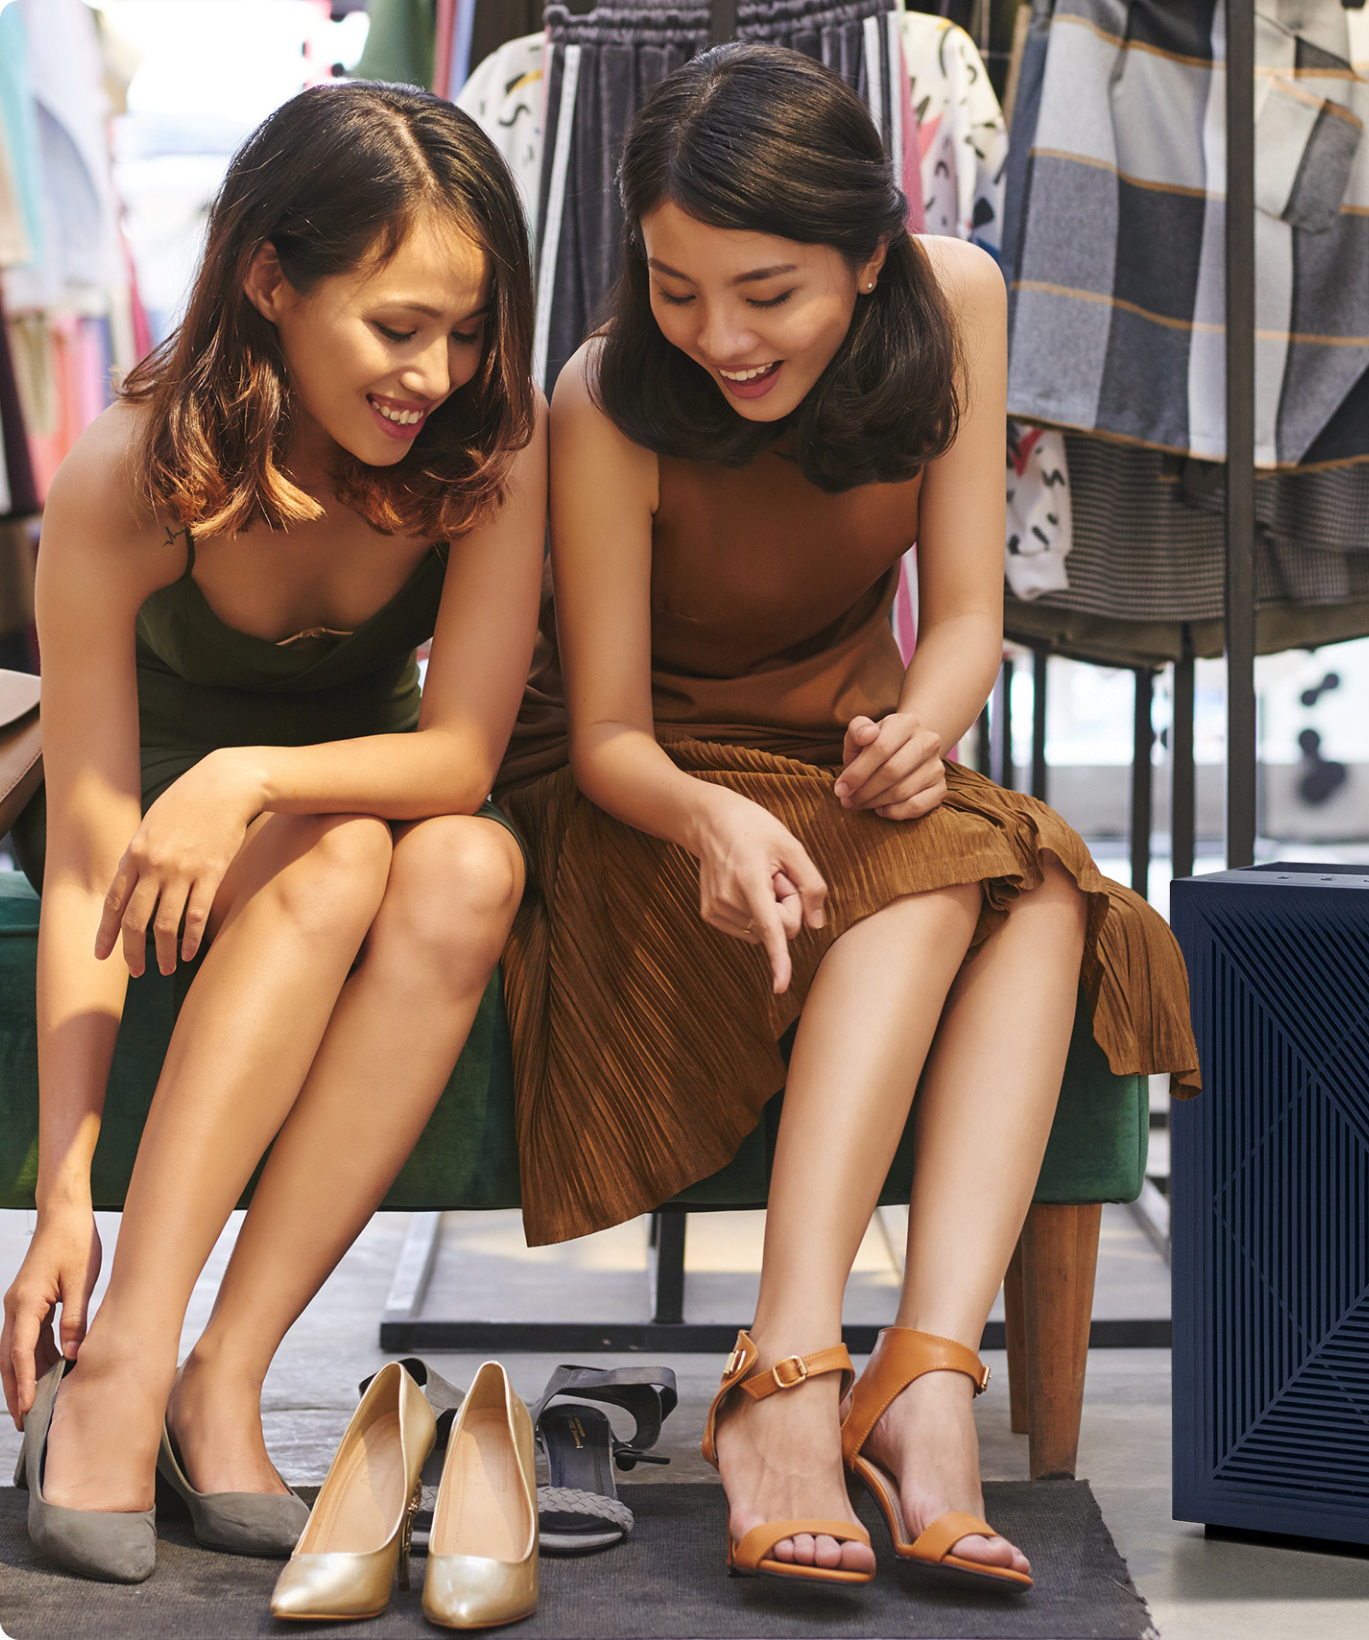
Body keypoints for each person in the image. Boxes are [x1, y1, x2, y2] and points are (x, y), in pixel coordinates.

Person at [496, 43, 1198, 1589]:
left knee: (1049, 893)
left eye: (765, 292)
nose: (718, 336)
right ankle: (791, 1377)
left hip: (849, 756)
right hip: (651, 794)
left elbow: (965, 616)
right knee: (944, 876)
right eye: (677, 288)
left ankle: (924, 1378)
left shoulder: (954, 300)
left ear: (868, 254)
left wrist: (926, 729)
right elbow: (604, 730)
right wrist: (705, 821)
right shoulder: (608, 394)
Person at [0, 81, 545, 1583]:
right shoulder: (125, 476)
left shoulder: (490, 446)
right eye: (396, 328)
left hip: (328, 788)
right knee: (350, 850)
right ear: (269, 279)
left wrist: (257, 775)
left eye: (471, 326)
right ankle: (118, 1362)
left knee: (471, 859)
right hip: (143, 817)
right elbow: (96, 858)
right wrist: (64, 1186)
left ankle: (215, 1380)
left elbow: (461, 754)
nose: (438, 371)